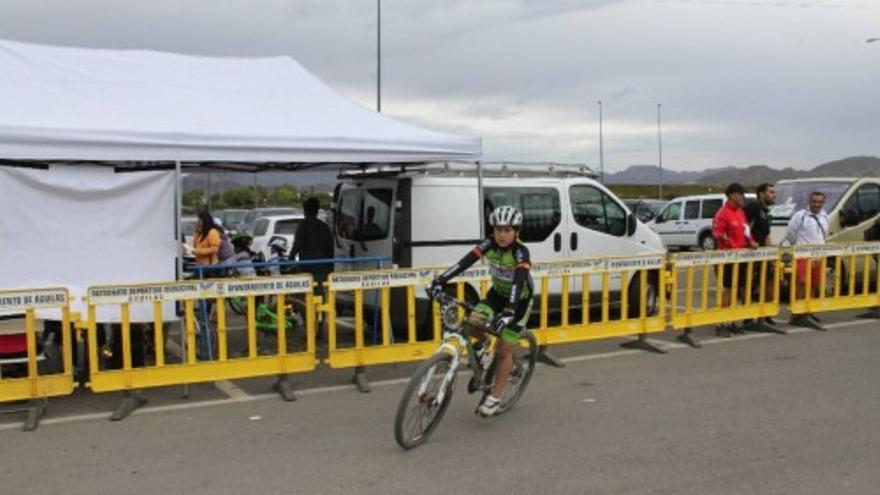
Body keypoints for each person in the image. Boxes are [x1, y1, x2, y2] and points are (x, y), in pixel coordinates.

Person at [429, 206, 533, 417]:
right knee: (472, 322)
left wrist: (510, 311)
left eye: (507, 230)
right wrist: (440, 281)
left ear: (516, 232)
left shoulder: (521, 252)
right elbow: (464, 262)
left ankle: (494, 398)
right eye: (498, 230)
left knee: (504, 350)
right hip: (497, 295)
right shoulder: (489, 244)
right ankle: (484, 345)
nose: (502, 235)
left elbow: (518, 281)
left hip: (519, 301)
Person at [712, 183, 756, 337]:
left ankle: (731, 321)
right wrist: (729, 243)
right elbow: (717, 234)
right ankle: (721, 323)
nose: (743, 197)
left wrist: (751, 242)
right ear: (731, 195)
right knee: (728, 290)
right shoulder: (722, 213)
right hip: (727, 258)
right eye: (740, 194)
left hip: (741, 257)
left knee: (738, 290)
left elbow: (746, 231)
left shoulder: (740, 212)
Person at [784, 191, 829, 328]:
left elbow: (824, 234)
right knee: (802, 284)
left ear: (823, 203)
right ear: (809, 202)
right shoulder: (800, 216)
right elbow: (791, 234)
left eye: (819, 202)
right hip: (803, 256)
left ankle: (808, 310)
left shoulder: (824, 216)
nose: (816, 204)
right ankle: (798, 313)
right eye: (814, 201)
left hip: (818, 256)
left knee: (814, 285)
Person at [743, 183, 784, 333]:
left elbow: (766, 234)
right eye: (771, 192)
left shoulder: (766, 211)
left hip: (765, 255)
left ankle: (765, 315)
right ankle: (747, 318)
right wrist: (750, 243)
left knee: (768, 284)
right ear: (761, 194)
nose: (774, 195)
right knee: (749, 286)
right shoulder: (753, 207)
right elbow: (744, 227)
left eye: (774, 192)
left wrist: (772, 250)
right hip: (751, 254)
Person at [289, 197, 334, 295]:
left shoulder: (303, 225)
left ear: (305, 211)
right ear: (317, 210)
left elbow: (297, 245)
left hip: (307, 268)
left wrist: (290, 260)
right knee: (322, 296)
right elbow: (330, 249)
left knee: (307, 297)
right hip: (323, 268)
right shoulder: (324, 227)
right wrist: (330, 267)